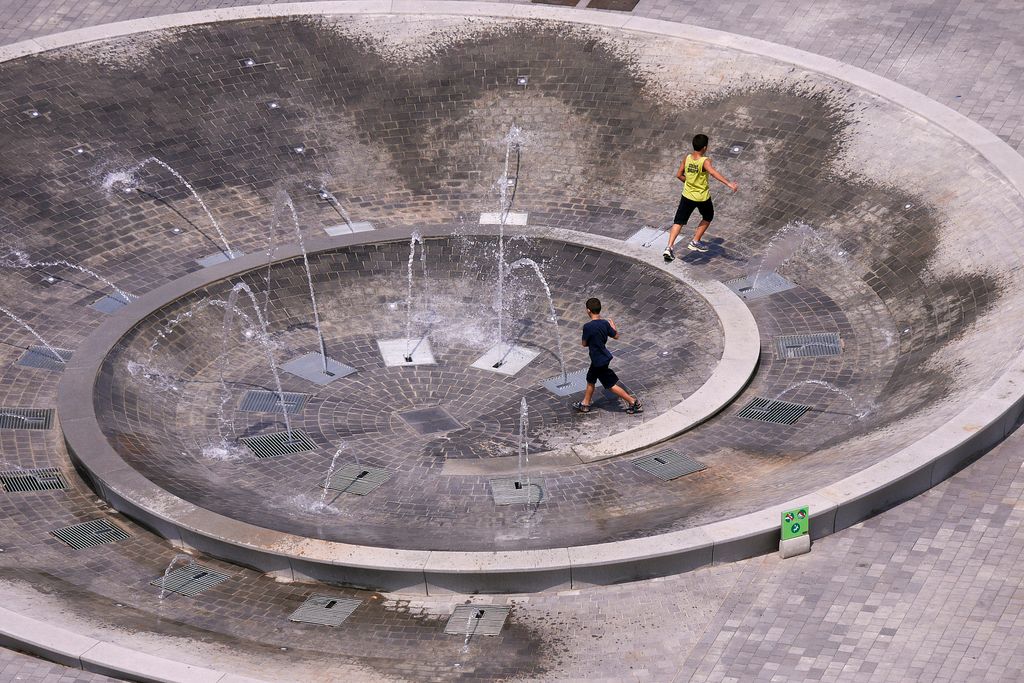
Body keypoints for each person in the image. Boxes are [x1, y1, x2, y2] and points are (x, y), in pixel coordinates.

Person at [663, 133, 738, 260]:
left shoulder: (687, 158)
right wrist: (729, 184)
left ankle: (669, 247)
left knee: (678, 221)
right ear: (704, 147)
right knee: (708, 216)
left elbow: (679, 175)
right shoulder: (704, 161)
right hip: (701, 197)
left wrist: (689, 183)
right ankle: (695, 241)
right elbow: (713, 172)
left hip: (686, 195)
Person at [573, 297, 642, 414]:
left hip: (598, 361)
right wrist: (613, 326)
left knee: (610, 385)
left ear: (588, 310)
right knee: (590, 380)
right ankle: (585, 404)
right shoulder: (605, 323)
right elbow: (616, 336)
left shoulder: (588, 327)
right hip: (602, 358)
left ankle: (633, 401)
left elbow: (584, 344)